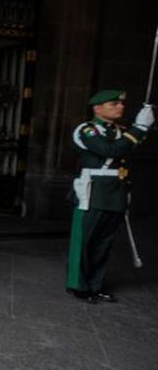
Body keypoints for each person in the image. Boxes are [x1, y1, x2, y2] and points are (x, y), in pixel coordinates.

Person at [66, 90, 153, 303]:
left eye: (121, 104)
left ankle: (95, 285)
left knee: (103, 244)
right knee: (84, 242)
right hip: (93, 193)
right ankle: (78, 286)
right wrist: (139, 128)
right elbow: (109, 151)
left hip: (115, 194)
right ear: (97, 108)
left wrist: (143, 125)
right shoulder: (87, 130)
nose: (120, 107)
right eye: (114, 104)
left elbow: (129, 147)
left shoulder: (121, 131)